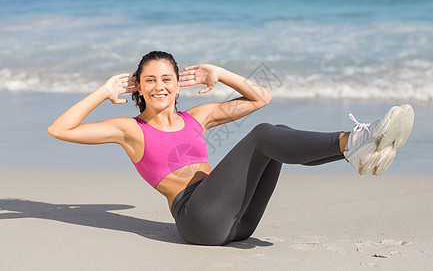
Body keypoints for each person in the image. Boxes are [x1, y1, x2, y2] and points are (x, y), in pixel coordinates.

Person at [48, 51, 414, 246]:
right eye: (150, 81)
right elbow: (58, 129)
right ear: (137, 89)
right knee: (264, 135)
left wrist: (219, 73)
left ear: (179, 85)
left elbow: (261, 96)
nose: (160, 87)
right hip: (197, 220)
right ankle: (354, 140)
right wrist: (102, 91)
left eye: (167, 79)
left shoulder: (198, 117)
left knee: (276, 135)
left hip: (238, 223)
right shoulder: (131, 129)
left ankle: (355, 151)